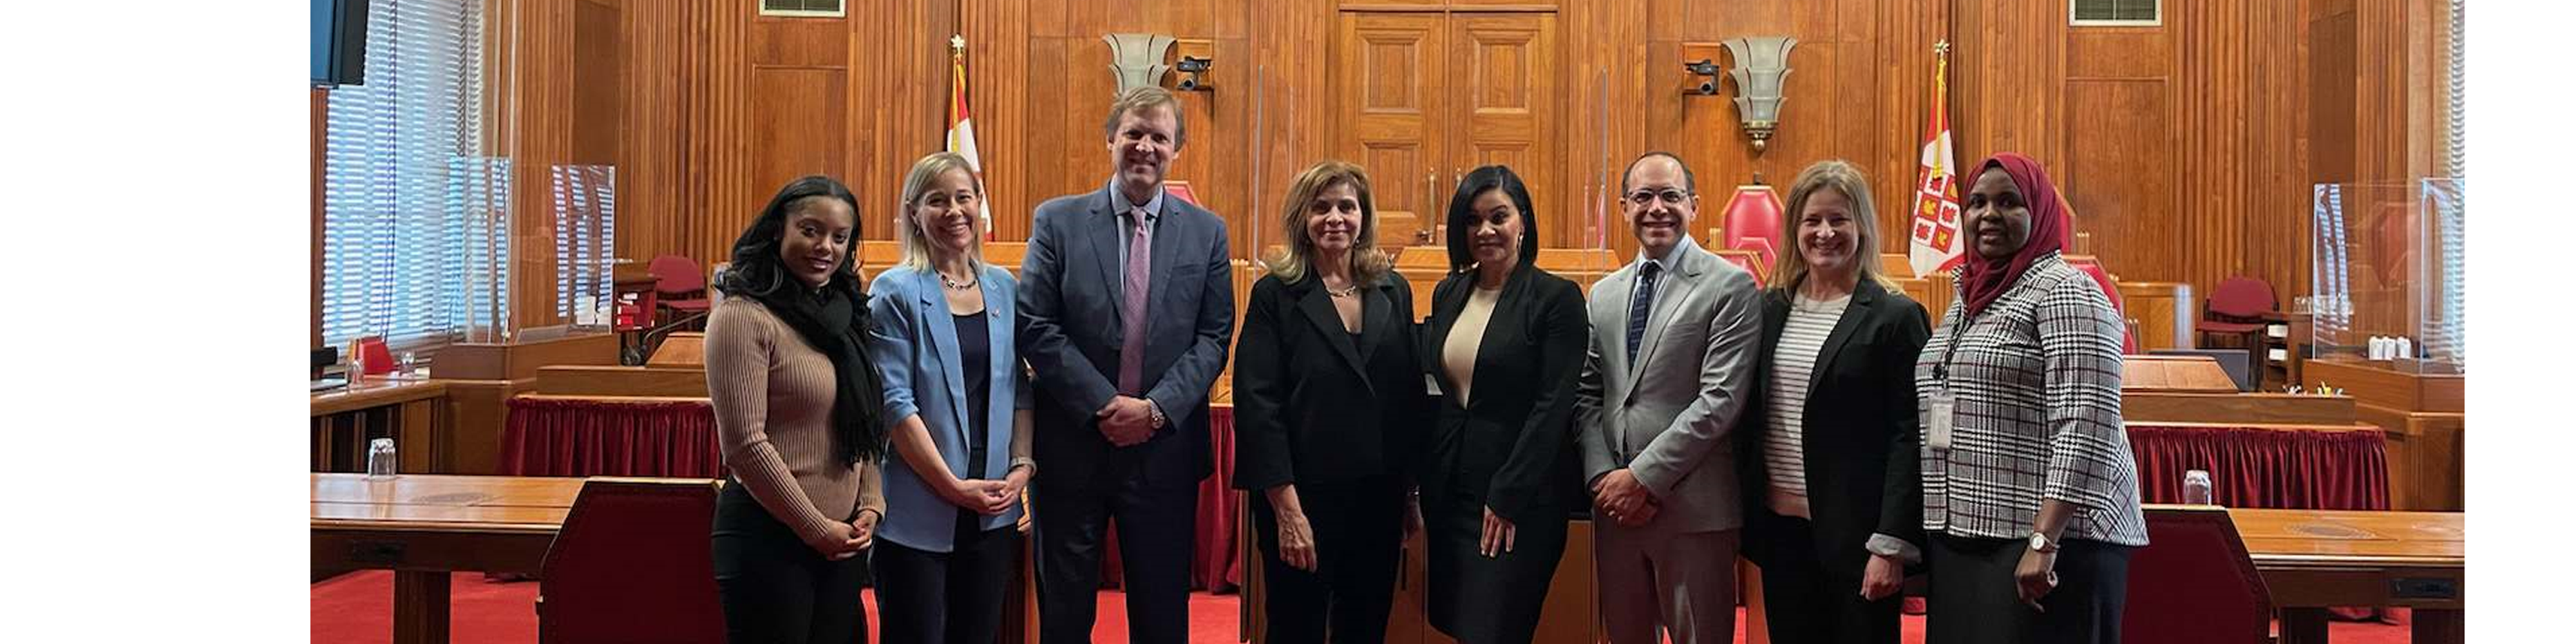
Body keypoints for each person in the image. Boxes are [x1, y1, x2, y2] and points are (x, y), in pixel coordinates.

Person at [1018, 86, 1235, 644]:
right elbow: (1036, 325)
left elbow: (1213, 337)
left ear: (1177, 150)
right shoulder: (1058, 222)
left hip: (1163, 456)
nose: (1145, 146)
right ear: (1111, 138)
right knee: (1064, 617)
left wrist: (1155, 411)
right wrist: (1105, 405)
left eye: (1159, 137)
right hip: (1072, 448)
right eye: (1134, 132)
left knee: (1162, 618)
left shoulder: (1207, 232)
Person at [1917, 152, 2148, 644]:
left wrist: (2045, 539)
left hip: (2055, 544)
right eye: (1976, 203)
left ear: (2039, 212)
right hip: (1973, 536)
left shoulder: (2067, 291)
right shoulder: (1971, 297)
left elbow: (2088, 422)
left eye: (2008, 202)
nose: (1988, 215)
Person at [1231, 160, 1429, 643]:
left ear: (1364, 217)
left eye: (1347, 206)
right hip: (1302, 494)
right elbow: (1258, 405)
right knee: (1295, 624)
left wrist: (1410, 493)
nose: (1335, 218)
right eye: (1321, 208)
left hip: (1377, 495)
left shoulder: (1392, 290)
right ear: (1303, 218)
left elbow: (1404, 398)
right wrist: (1287, 509)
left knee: (1365, 625)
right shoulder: (1275, 295)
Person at [1571, 151, 1763, 644]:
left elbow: (1720, 400)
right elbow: (1589, 394)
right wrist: (1602, 481)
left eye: (1670, 196)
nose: (1657, 208)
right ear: (1623, 207)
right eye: (1643, 197)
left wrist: (1642, 479)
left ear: (1694, 205)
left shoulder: (1731, 286)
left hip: (1694, 509)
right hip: (1616, 513)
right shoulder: (1604, 294)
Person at [1738, 160, 1931, 644]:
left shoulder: (1895, 316)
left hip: (1861, 540)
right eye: (1812, 221)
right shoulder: (1769, 308)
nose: (1825, 233)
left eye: (1838, 220)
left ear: (1861, 226)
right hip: (1782, 534)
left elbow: (1911, 436)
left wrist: (1891, 544)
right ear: (1794, 230)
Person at [705, 175, 889, 644]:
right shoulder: (743, 316)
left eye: (839, 237)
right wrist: (815, 528)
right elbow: (745, 445)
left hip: (840, 543)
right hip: (769, 540)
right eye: (810, 230)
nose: (825, 246)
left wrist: (870, 502)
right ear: (778, 230)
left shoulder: (844, 315)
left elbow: (862, 419)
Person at [866, 152, 1036, 644]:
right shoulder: (894, 291)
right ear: (914, 213)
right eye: (936, 200)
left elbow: (1020, 385)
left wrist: (1022, 467)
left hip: (993, 507)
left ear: (980, 206)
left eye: (964, 197)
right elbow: (895, 404)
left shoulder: (1005, 287)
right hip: (919, 505)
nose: (954, 211)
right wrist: (951, 485)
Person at [1417, 164, 1587, 644]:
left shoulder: (1556, 299)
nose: (1486, 230)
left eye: (1499, 216)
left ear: (1523, 222)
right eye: (1473, 220)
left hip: (1518, 499)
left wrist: (1507, 495)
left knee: (1494, 629)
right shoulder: (1451, 292)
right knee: (1456, 623)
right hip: (1451, 492)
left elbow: (1553, 406)